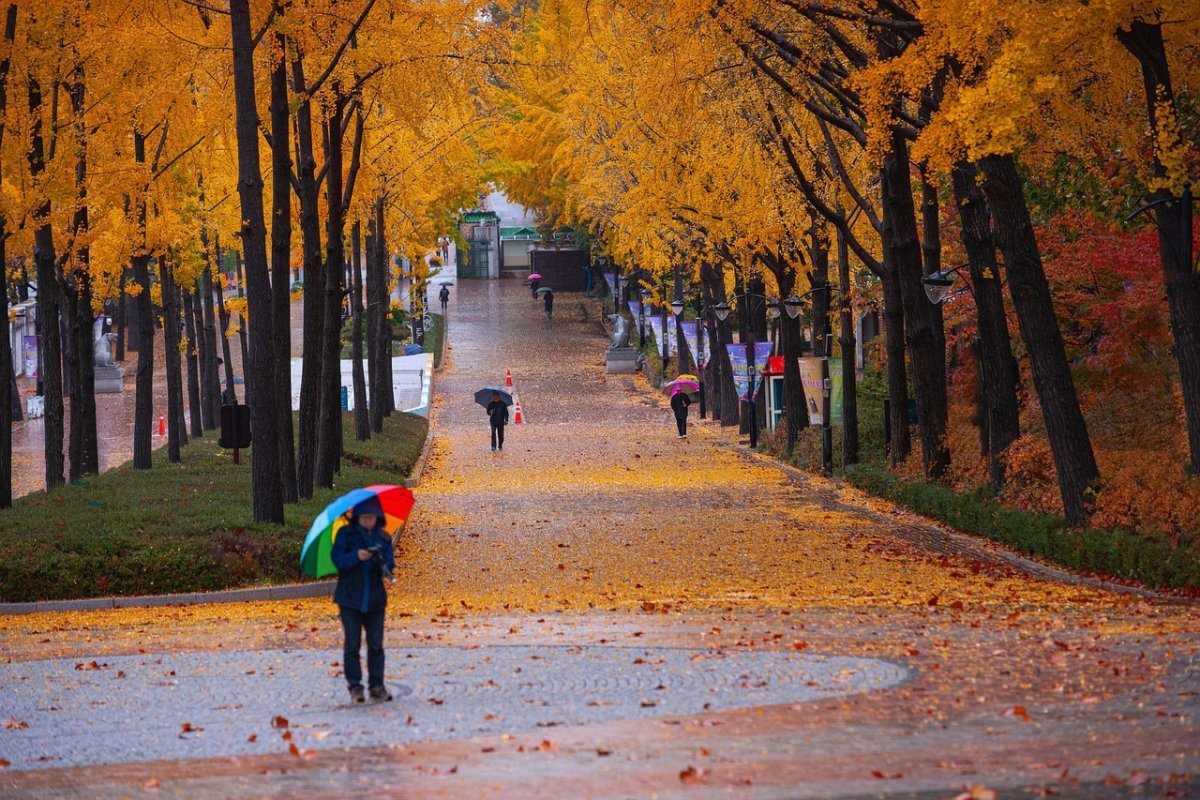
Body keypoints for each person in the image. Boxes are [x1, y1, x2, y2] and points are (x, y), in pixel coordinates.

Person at [331, 498, 396, 704]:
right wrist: (355, 556)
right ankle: (355, 686)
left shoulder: (383, 539)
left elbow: (390, 566)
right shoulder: (346, 535)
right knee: (352, 645)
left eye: (371, 518)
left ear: (377, 518)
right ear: (357, 518)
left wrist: (380, 562)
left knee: (376, 645)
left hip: (375, 600)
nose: (368, 521)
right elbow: (338, 560)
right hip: (350, 599)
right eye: (364, 518)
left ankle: (377, 685)